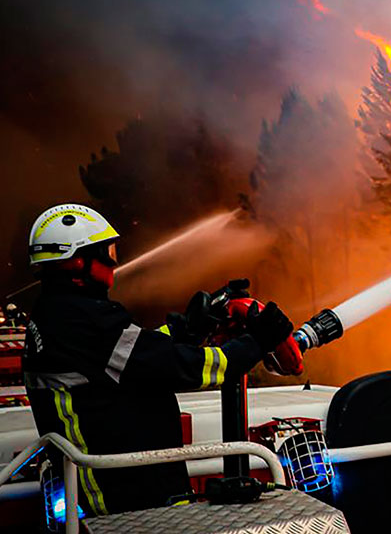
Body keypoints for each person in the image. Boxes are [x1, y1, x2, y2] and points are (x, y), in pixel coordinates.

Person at [22, 203, 293, 515]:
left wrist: (189, 328)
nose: (113, 263)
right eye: (107, 253)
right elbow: (183, 368)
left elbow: (137, 354)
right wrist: (257, 343)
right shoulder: (85, 321)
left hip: (129, 479)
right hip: (125, 493)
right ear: (78, 263)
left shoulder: (59, 315)